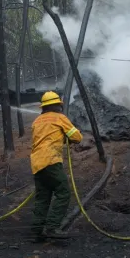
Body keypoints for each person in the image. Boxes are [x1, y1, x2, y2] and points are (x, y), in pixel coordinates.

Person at [30, 91, 83, 240]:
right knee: (63, 192)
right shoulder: (60, 118)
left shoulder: (37, 121)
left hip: (36, 162)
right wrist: (70, 136)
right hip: (51, 160)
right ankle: (52, 227)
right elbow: (77, 137)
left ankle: (36, 232)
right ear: (57, 105)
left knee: (43, 196)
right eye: (59, 105)